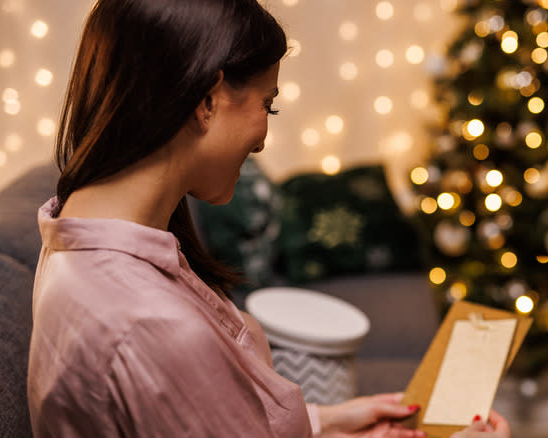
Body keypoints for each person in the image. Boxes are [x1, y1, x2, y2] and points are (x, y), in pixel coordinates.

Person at [27, 0, 511, 437]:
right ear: (206, 100)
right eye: (267, 104)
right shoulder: (154, 325)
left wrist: (326, 422)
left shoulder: (72, 232)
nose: (261, 138)